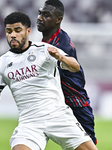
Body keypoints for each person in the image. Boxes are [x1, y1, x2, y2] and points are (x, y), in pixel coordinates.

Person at [0, 12, 98, 150]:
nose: (13, 35)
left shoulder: (44, 50)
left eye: (17, 30)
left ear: (28, 31)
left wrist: (60, 57)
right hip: (30, 124)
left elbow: (75, 67)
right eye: (9, 31)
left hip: (59, 117)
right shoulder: (0, 64)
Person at [37, 0, 97, 145]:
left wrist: (60, 57)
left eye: (46, 15)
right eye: (40, 13)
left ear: (58, 19)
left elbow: (74, 66)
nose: (40, 18)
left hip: (75, 102)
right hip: (58, 102)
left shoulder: (61, 44)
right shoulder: (47, 40)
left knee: (87, 145)